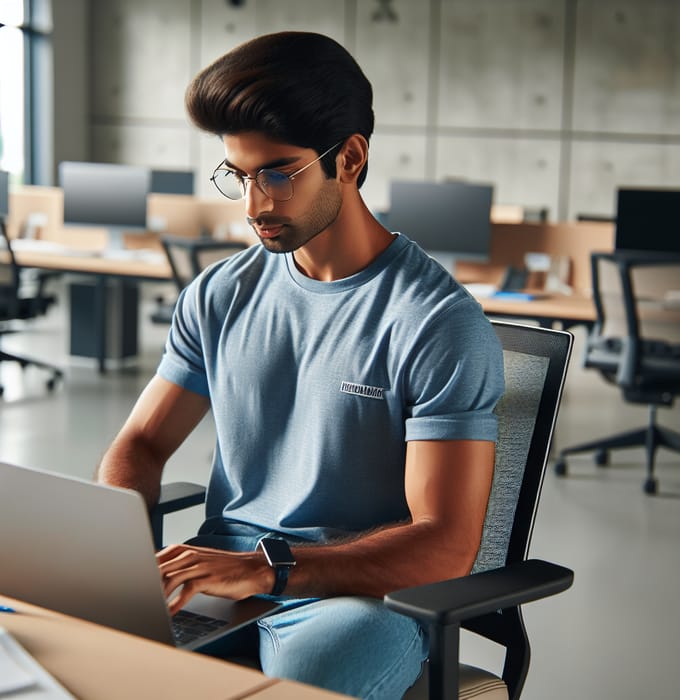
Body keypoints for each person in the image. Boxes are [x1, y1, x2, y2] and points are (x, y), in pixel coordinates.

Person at [97, 31, 504, 699]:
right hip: (218, 580)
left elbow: (444, 546)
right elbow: (140, 444)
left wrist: (267, 569)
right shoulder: (221, 293)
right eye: (240, 175)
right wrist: (112, 556)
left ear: (348, 158)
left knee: (321, 677)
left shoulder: (435, 323)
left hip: (354, 599)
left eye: (278, 174)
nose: (255, 204)